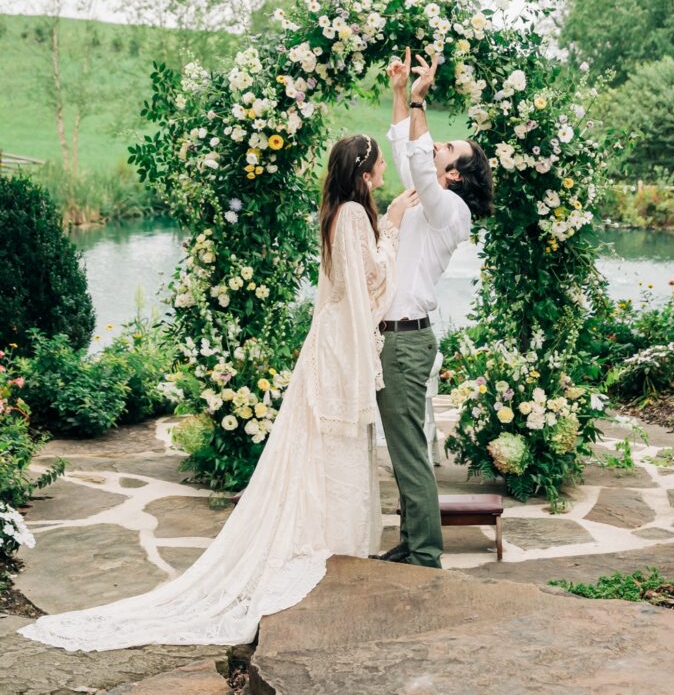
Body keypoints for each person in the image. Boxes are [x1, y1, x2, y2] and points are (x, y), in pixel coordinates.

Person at [19, 135, 418, 652]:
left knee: (325, 447)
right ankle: (332, 546)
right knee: (331, 446)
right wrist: (393, 227)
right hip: (342, 347)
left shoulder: (338, 213)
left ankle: (337, 542)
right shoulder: (355, 217)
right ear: (365, 173)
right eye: (382, 163)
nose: (387, 168)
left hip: (333, 339)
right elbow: (369, 283)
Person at [374, 48, 494, 569]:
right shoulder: (428, 196)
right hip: (392, 337)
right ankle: (412, 541)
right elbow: (408, 152)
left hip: (405, 340)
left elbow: (419, 165)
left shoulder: (452, 210)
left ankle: (424, 554)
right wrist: (402, 94)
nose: (436, 147)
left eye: (447, 148)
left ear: (456, 176)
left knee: (408, 454)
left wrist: (422, 101)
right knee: (404, 451)